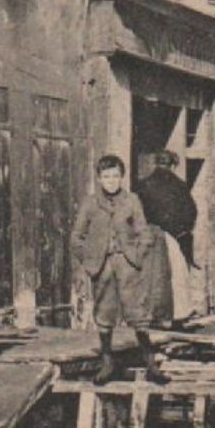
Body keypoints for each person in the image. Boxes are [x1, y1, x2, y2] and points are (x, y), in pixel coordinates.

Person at [72, 154, 171, 386]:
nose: (111, 181)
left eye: (116, 176)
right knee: (104, 316)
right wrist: (89, 262)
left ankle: (151, 366)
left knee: (138, 314)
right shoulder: (90, 202)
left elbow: (144, 231)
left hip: (127, 264)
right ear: (99, 178)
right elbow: (76, 237)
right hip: (102, 266)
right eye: (106, 176)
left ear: (122, 177)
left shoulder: (132, 200)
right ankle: (108, 363)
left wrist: (137, 255)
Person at [135, 149, 201, 325]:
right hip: (173, 237)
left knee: (151, 277)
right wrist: (182, 231)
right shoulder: (180, 185)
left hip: (149, 236)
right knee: (176, 276)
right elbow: (191, 212)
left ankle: (152, 315)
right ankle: (176, 314)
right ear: (172, 165)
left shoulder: (142, 185)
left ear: (156, 163)